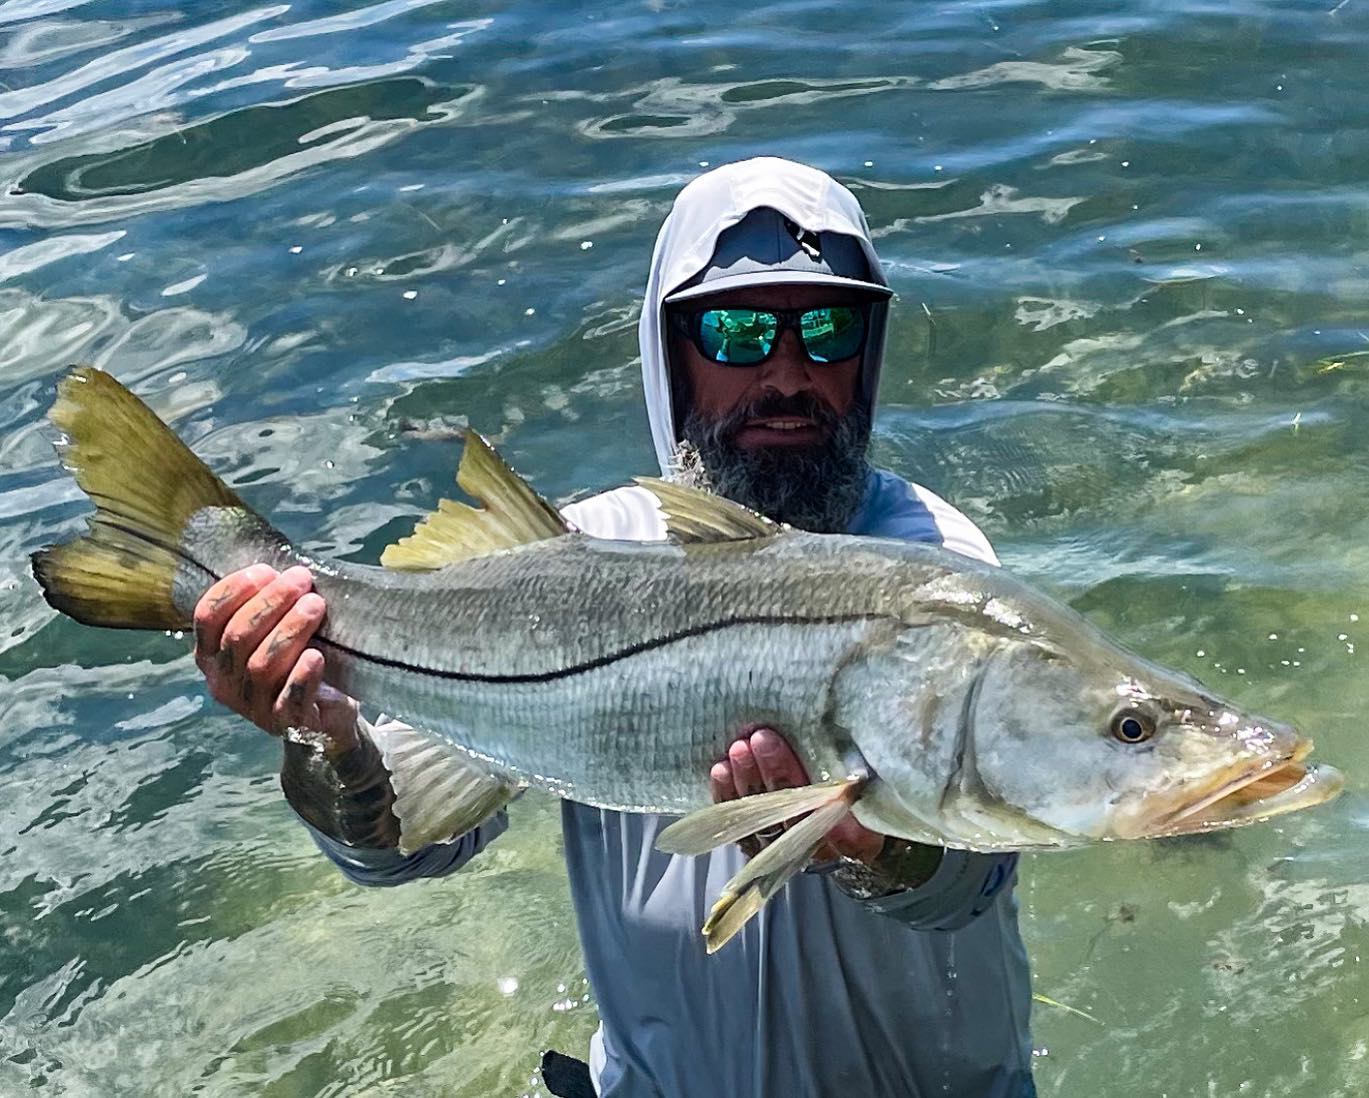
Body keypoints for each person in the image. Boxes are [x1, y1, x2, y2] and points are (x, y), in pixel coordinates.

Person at [190, 157, 1035, 1097]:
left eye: (828, 329)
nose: (788, 373)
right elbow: (404, 845)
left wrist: (877, 855)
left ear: (867, 356)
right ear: (672, 350)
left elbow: (982, 868)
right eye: (738, 329)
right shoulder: (573, 554)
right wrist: (322, 733)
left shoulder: (933, 562)